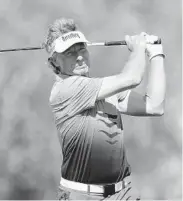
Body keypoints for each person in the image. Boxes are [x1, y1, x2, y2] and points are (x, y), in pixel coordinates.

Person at [44, 18, 166, 200]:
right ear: (55, 61)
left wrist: (156, 54)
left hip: (123, 193)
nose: (79, 57)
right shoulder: (64, 90)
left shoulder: (103, 89)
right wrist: (139, 47)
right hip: (82, 195)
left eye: (82, 49)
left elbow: (155, 106)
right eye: (69, 53)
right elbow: (132, 77)